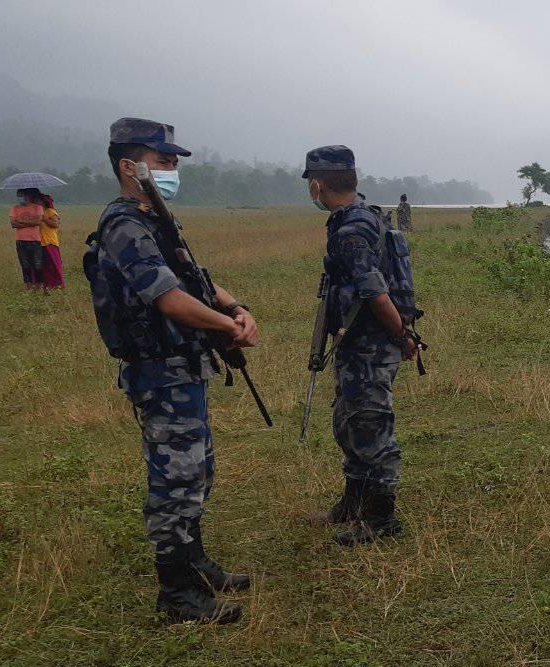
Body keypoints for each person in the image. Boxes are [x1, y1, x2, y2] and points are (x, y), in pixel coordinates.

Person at [85, 117, 259, 624]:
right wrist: (228, 327)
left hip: (184, 367)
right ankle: (178, 593)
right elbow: (169, 299)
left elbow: (195, 280)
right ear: (129, 166)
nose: (171, 170)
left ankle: (195, 562)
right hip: (160, 371)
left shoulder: (156, 220)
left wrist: (236, 307)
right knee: (174, 480)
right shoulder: (124, 226)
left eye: (173, 162)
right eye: (162, 161)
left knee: (197, 471)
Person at [302, 145, 417, 546]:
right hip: (357, 341)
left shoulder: (351, 230)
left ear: (317, 185)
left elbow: (375, 292)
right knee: (349, 420)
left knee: (370, 423)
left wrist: (401, 336)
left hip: (370, 342)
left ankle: (381, 517)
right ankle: (354, 501)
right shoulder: (362, 216)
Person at [9, 188, 45, 287]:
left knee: (38, 265)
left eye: (21, 195)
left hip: (35, 241)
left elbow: (38, 222)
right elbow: (13, 224)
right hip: (21, 241)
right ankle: (28, 286)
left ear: (28, 196)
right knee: (25, 265)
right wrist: (31, 222)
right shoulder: (15, 208)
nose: (19, 198)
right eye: (18, 196)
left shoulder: (38, 208)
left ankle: (39, 286)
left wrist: (21, 221)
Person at [38, 192, 65, 289]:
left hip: (50, 242)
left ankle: (58, 284)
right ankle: (48, 285)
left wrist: (44, 219)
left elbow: (56, 224)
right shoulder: (39, 212)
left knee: (54, 264)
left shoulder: (50, 211)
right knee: (45, 266)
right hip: (41, 242)